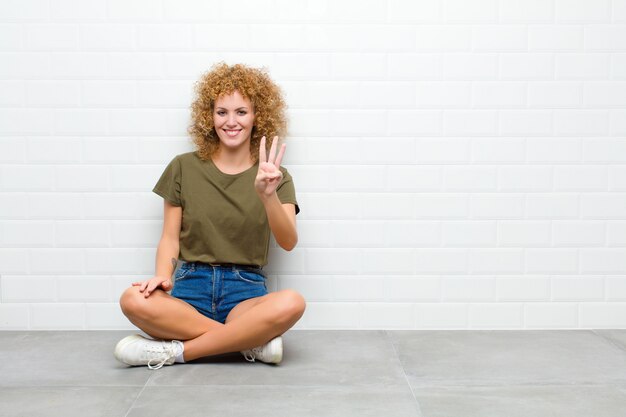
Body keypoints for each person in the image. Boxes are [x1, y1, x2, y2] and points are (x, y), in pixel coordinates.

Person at [113, 63, 306, 370]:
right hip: (190, 289)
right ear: (209, 116)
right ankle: (248, 343)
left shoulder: (275, 176)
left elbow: (288, 241)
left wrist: (268, 196)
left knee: (292, 302)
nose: (231, 122)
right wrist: (163, 275)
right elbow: (169, 238)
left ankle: (175, 352)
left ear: (258, 116)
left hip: (245, 293)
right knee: (131, 299)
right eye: (222, 112)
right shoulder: (183, 166)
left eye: (241, 112)